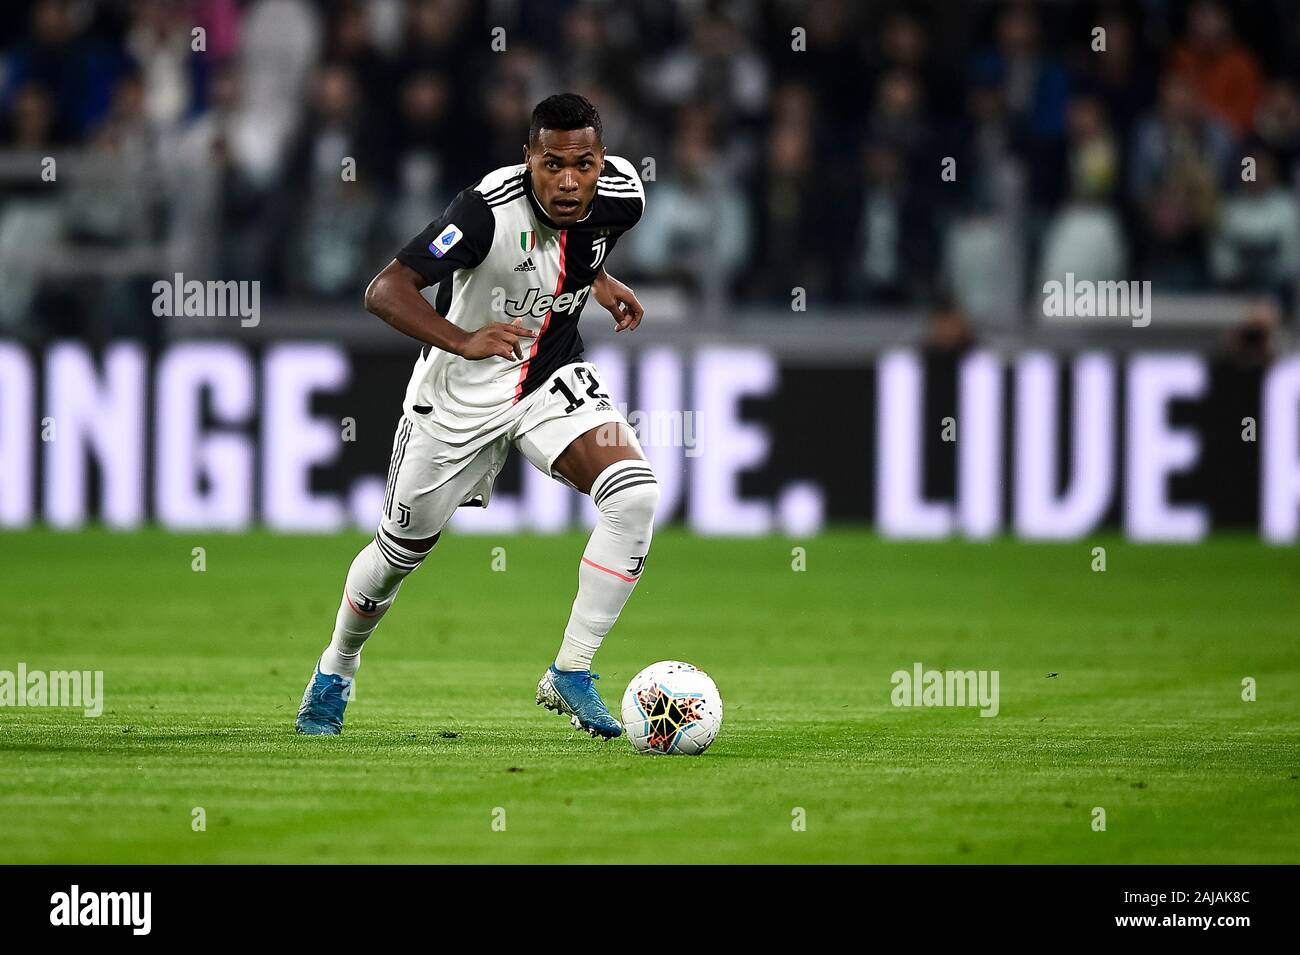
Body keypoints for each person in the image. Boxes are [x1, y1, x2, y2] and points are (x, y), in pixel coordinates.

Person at [295, 93, 654, 739]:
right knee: (397, 557)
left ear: (602, 161)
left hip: (549, 373)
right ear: (528, 160)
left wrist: (598, 282)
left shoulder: (624, 194)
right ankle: (336, 667)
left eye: (584, 163)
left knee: (634, 495)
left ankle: (571, 669)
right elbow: (386, 289)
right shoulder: (484, 209)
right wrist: (461, 339)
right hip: (458, 391)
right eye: (552, 164)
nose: (569, 180)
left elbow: (579, 243)